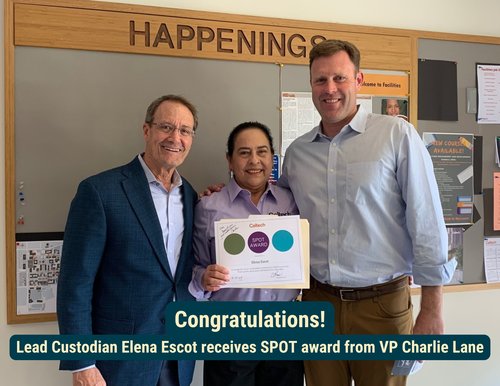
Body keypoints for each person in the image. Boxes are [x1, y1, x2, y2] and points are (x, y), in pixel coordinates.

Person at [279, 40, 456, 386]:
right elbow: (280, 210)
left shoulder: (396, 135)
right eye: (320, 80)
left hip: (383, 308)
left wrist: (432, 308)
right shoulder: (297, 153)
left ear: (359, 80)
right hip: (317, 305)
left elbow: (427, 221)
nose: (329, 89)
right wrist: (233, 193)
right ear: (310, 84)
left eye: (339, 78)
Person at [57, 95, 199, 386]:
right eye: (166, 127)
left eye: (185, 131)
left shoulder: (192, 198)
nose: (176, 138)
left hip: (178, 358)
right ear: (146, 131)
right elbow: (75, 285)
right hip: (117, 362)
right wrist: (81, 362)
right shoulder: (100, 192)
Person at [189, 121, 304, 386]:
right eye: (244, 153)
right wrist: (203, 278)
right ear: (229, 160)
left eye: (262, 152)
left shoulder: (294, 201)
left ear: (272, 159)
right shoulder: (207, 207)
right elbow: (192, 269)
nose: (254, 161)